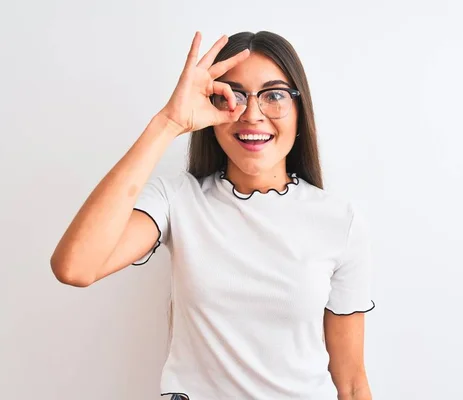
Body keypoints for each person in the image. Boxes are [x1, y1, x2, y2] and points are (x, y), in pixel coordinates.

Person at [51, 30, 375, 400]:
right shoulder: (177, 200)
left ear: (300, 109)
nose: (252, 114)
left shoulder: (341, 221)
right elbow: (75, 267)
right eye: (233, 96)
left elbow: (350, 381)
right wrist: (169, 122)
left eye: (274, 96)